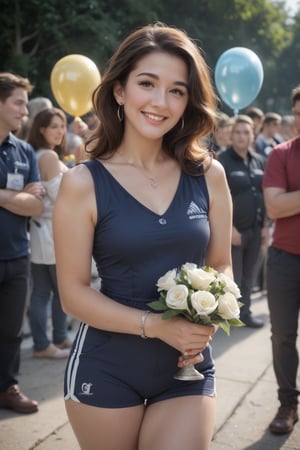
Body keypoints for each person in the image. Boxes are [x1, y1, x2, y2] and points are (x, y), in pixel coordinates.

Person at [53, 22, 233, 450]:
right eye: (147, 84)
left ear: (189, 100)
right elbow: (73, 294)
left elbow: (221, 262)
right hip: (106, 367)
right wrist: (155, 325)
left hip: (186, 367)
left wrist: (213, 306)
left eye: (177, 90)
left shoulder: (209, 175)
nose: (160, 102)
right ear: (119, 90)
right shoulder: (83, 183)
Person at [0, 72, 45, 414]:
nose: (24, 112)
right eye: (18, 103)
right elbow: (24, 200)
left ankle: (7, 387)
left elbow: (37, 205)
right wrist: (16, 196)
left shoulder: (24, 150)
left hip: (17, 255)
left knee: (12, 330)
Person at [263, 85, 300, 435]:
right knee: (283, 335)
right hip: (285, 260)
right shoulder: (280, 154)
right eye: (299, 115)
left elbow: (287, 201)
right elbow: (275, 206)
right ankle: (288, 402)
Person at [27, 108, 72, 359]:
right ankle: (45, 343)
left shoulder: (40, 154)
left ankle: (55, 339)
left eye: (62, 126)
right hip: (52, 232)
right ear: (42, 129)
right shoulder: (48, 157)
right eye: (54, 126)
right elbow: (60, 196)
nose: (60, 131)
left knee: (45, 291)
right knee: (54, 291)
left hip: (44, 232)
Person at [218, 115, 267, 328]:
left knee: (248, 275)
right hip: (234, 232)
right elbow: (218, 199)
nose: (241, 136)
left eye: (246, 132)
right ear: (231, 134)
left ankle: (244, 313)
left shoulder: (259, 160)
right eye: (237, 132)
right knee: (232, 277)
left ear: (252, 135)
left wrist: (265, 225)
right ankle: (226, 316)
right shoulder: (222, 160)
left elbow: (265, 193)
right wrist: (230, 229)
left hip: (256, 230)